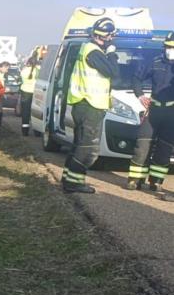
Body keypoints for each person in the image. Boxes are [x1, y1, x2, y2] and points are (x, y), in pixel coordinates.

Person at [60, 17, 119, 193]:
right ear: (107, 36)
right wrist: (112, 53)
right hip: (90, 105)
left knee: (79, 144)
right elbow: (113, 72)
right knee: (87, 147)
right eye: (112, 36)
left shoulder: (87, 48)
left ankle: (68, 178)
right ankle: (74, 183)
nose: (113, 39)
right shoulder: (93, 52)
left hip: (84, 104)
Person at [126, 32, 174, 200]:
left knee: (165, 148)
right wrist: (140, 95)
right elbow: (136, 78)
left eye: (173, 48)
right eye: (168, 47)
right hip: (153, 109)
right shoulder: (154, 62)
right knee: (143, 144)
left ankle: (156, 181)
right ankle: (135, 179)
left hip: (171, 112)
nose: (170, 50)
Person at [19, 55, 40, 136]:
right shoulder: (38, 71)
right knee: (35, 112)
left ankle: (25, 131)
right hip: (36, 93)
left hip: (25, 92)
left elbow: (21, 79)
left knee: (25, 112)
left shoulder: (24, 70)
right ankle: (37, 131)